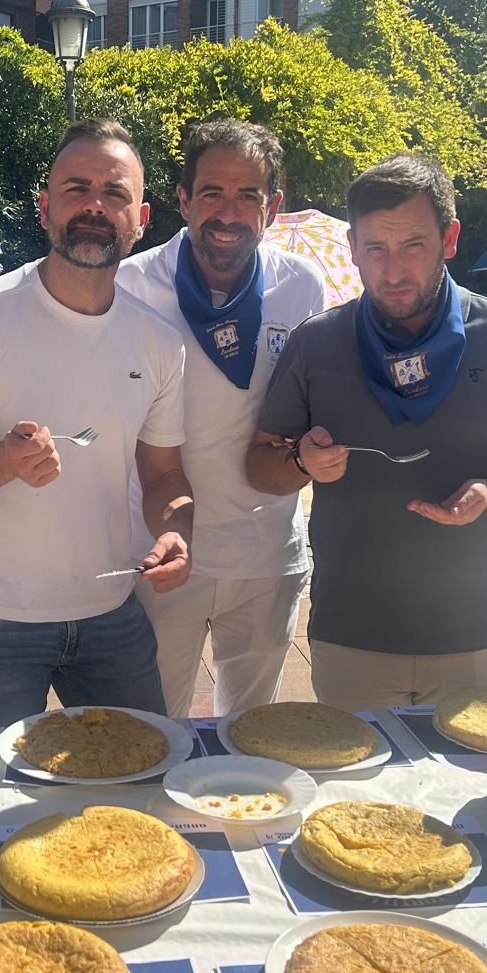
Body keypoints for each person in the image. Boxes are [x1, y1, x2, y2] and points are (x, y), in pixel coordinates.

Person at [246, 154, 487, 715]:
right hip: (350, 632)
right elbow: (259, 463)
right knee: (353, 797)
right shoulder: (317, 343)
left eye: (413, 246)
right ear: (353, 246)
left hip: (475, 631)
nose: (393, 271)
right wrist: (302, 464)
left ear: (449, 239)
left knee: (471, 794)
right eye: (375, 248)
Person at [0, 119, 192, 726]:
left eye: (115, 193)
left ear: (141, 218)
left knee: (141, 783)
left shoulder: (159, 343)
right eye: (76, 188)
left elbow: (165, 476)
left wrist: (176, 531)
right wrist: (3, 461)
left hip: (111, 611)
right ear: (45, 207)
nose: (94, 205)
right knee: (3, 806)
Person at [115, 119, 330, 719]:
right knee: (154, 727)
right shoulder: (131, 286)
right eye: (212, 193)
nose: (228, 213)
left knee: (253, 730)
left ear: (274, 207)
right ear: (183, 199)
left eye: (248, 196)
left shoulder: (301, 287)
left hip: (267, 554)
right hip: (161, 552)